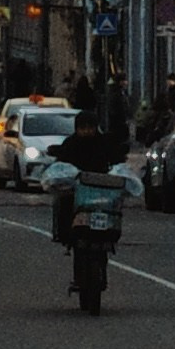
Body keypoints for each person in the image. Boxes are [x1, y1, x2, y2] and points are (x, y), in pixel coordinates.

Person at [48, 103, 124, 247]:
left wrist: (119, 167)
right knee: (63, 200)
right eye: (83, 128)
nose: (87, 131)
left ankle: (110, 233)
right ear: (77, 128)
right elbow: (61, 162)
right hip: (78, 190)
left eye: (91, 128)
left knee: (114, 206)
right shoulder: (71, 143)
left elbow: (116, 158)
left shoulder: (104, 142)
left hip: (102, 189)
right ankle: (64, 234)